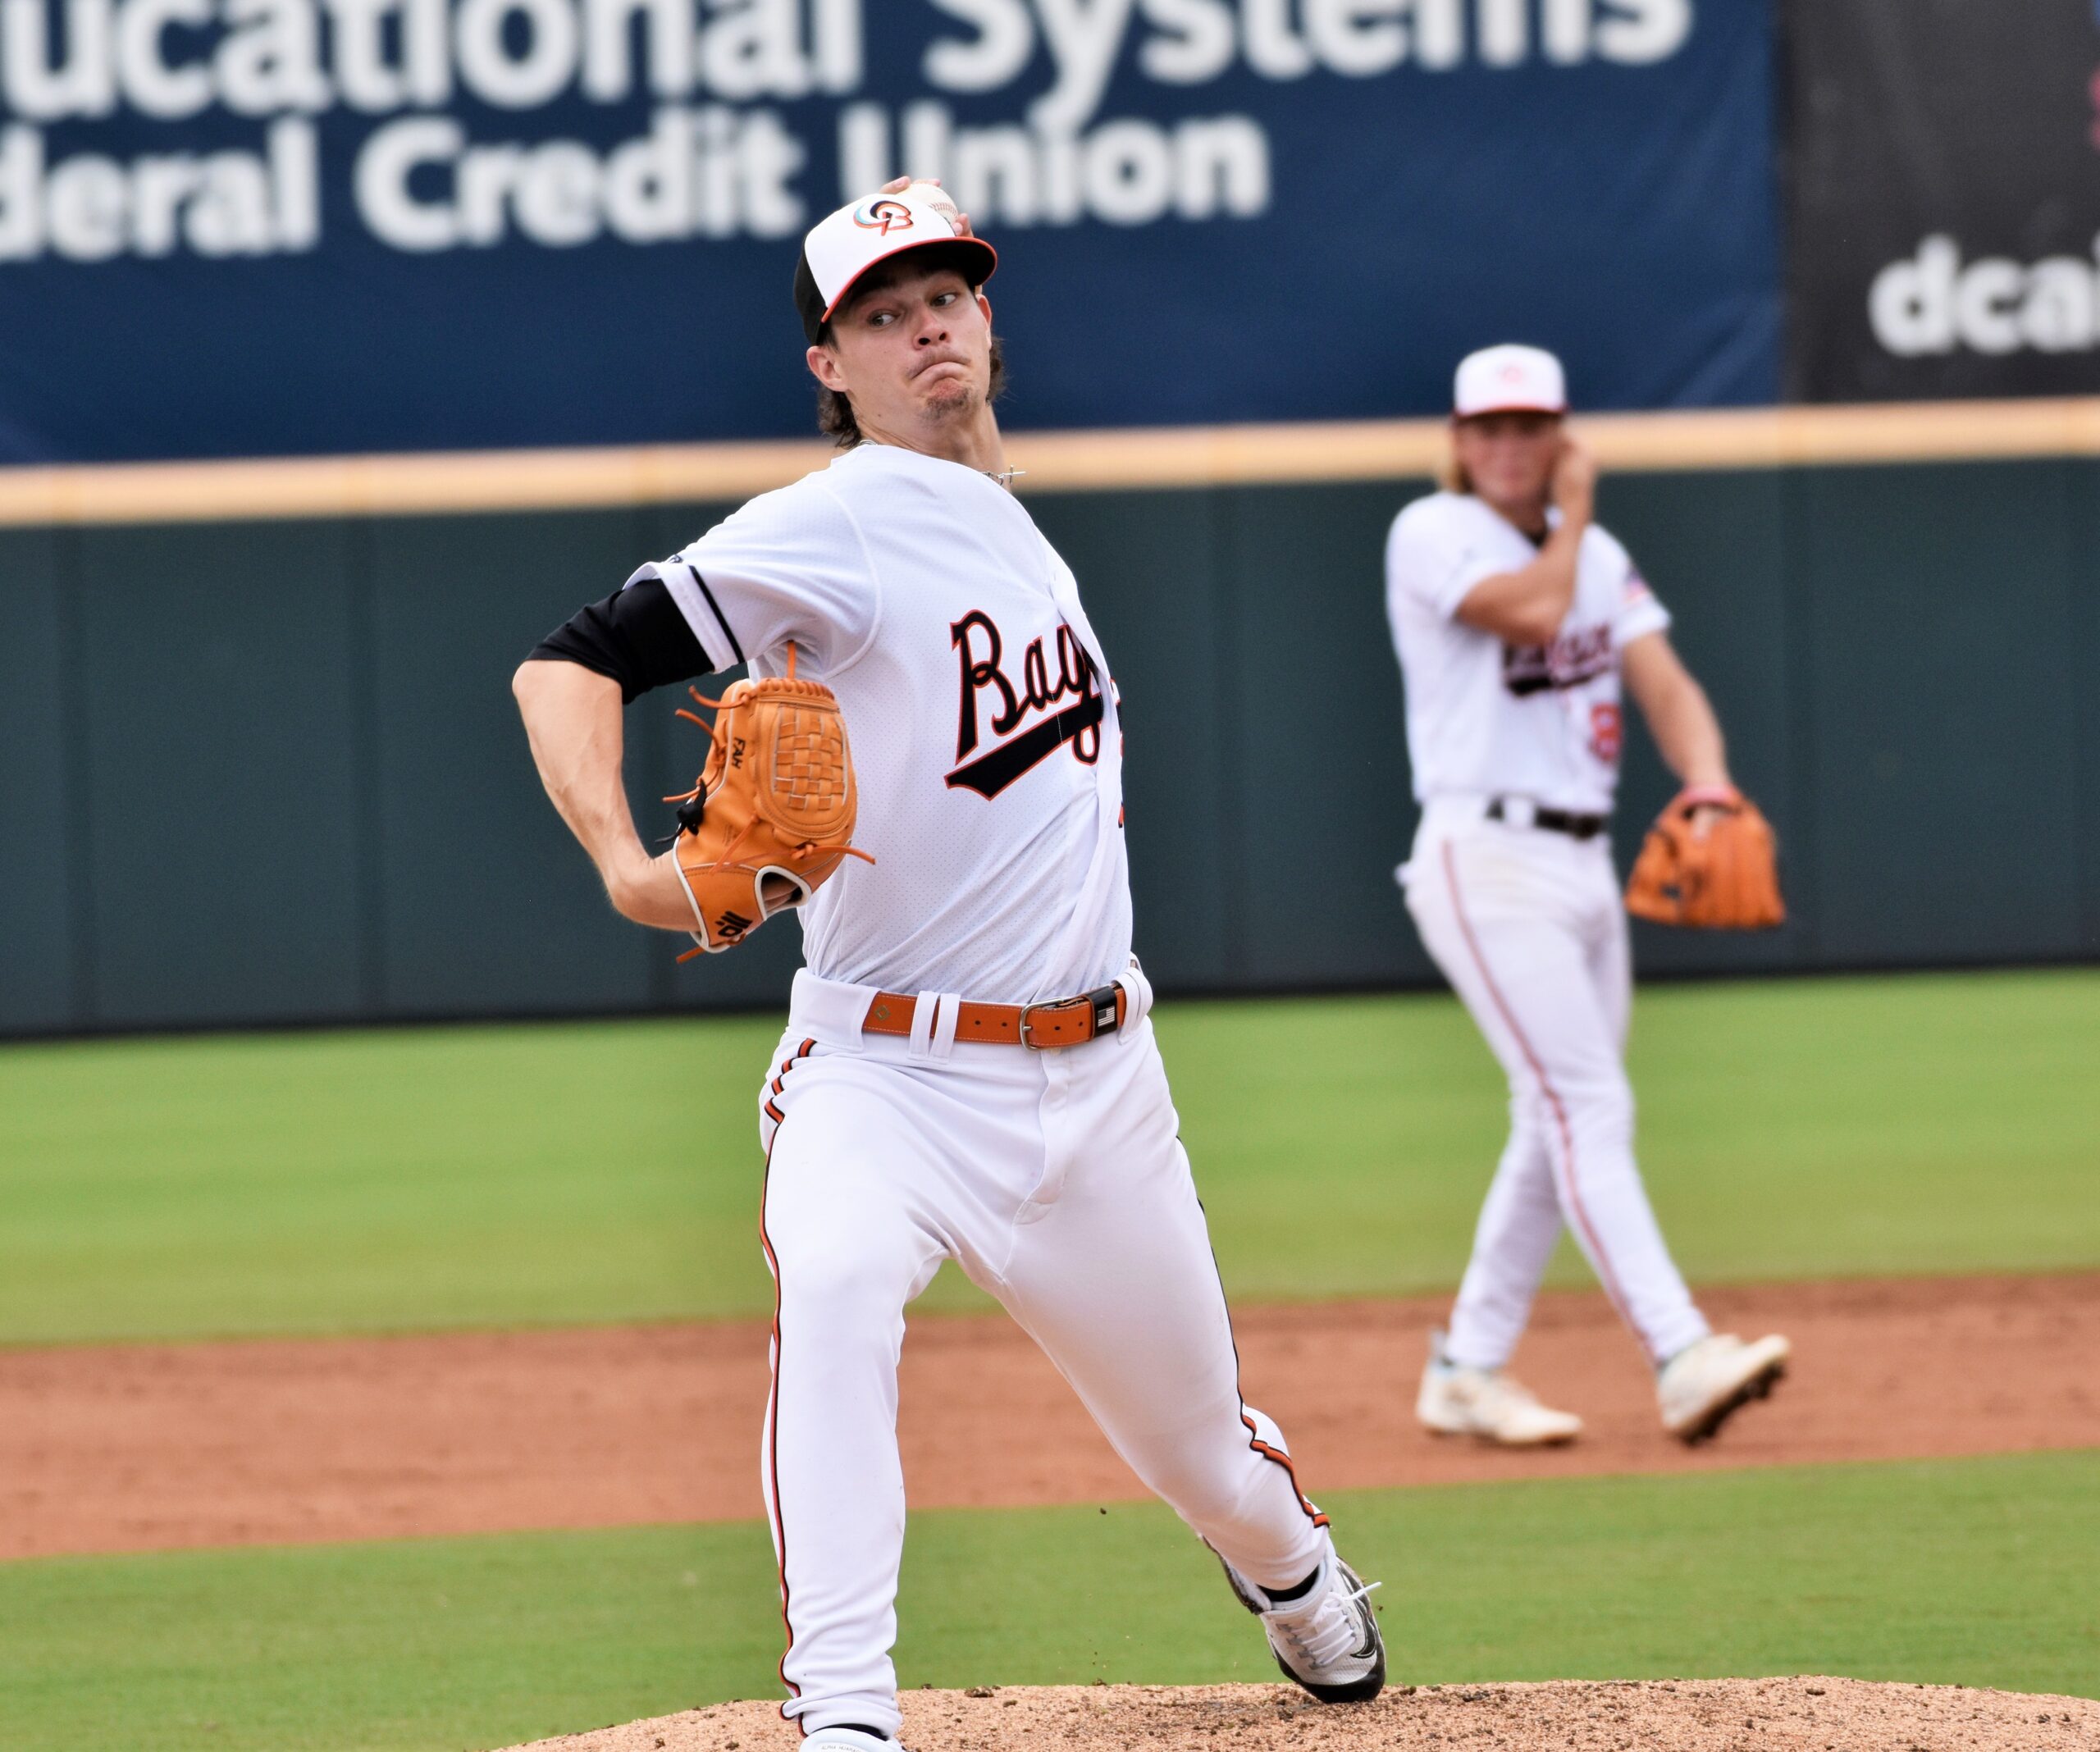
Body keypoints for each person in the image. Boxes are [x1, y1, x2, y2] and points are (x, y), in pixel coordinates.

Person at [512, 180, 1384, 1751]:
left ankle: (1295, 1571)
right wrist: (630, 869)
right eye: (881, 315)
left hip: (1101, 1084)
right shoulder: (838, 520)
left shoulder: (1011, 524)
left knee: (1204, 1458)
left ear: (986, 318)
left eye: (945, 298)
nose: (925, 330)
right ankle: (847, 1714)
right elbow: (569, 662)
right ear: (828, 367)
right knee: (836, 1289)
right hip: (885, 1075)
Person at [1384, 343, 1790, 1450]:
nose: (1510, 446)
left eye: (1531, 427)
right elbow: (1529, 614)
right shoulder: (1434, 530)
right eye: (1491, 428)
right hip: (1484, 852)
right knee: (1587, 1106)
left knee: (1556, 1113)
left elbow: (1668, 687)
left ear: (1559, 435)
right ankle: (1680, 1352)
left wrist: (1708, 783)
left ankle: (1467, 1367)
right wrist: (1578, 511)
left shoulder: (1596, 555)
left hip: (1584, 862)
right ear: (1461, 442)